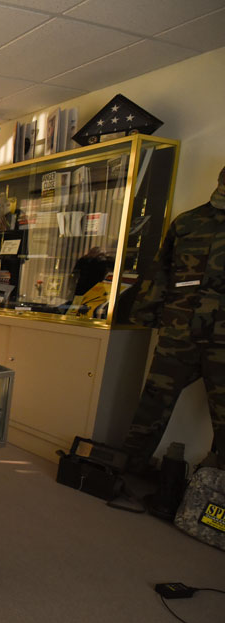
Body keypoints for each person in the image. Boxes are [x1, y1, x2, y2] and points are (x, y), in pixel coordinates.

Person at [119, 164, 225, 472]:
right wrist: (147, 313)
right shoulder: (189, 222)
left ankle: (211, 497)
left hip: (222, 342)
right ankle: (124, 472)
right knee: (151, 406)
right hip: (179, 332)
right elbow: (161, 271)